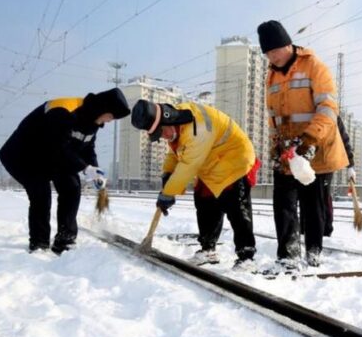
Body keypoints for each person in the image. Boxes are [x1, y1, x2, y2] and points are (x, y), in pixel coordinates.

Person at [257, 20, 348, 268]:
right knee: (283, 203)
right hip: (288, 150)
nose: (272, 57)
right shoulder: (271, 75)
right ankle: (287, 256)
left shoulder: (314, 66)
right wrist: (276, 144)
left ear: (288, 44)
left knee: (313, 205)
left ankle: (313, 252)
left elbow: (328, 108)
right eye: (267, 53)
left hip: (316, 147)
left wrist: (308, 141)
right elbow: (273, 116)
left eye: (275, 51)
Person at [0, 88, 130, 254]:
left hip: (50, 156)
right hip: (23, 155)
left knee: (72, 187)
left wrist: (95, 169)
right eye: (111, 116)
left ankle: (65, 241)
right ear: (103, 108)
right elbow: (57, 147)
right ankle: (39, 244)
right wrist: (84, 168)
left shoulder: (93, 121)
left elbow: (88, 148)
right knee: (41, 193)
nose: (109, 121)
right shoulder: (63, 110)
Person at [130, 100, 258, 267]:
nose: (164, 137)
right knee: (204, 202)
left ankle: (246, 257)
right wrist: (167, 174)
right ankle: (208, 250)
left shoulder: (197, 128)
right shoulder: (176, 125)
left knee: (235, 207)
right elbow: (175, 154)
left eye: (162, 133)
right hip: (211, 162)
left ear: (167, 121)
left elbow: (188, 165)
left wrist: (168, 193)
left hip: (234, 159)